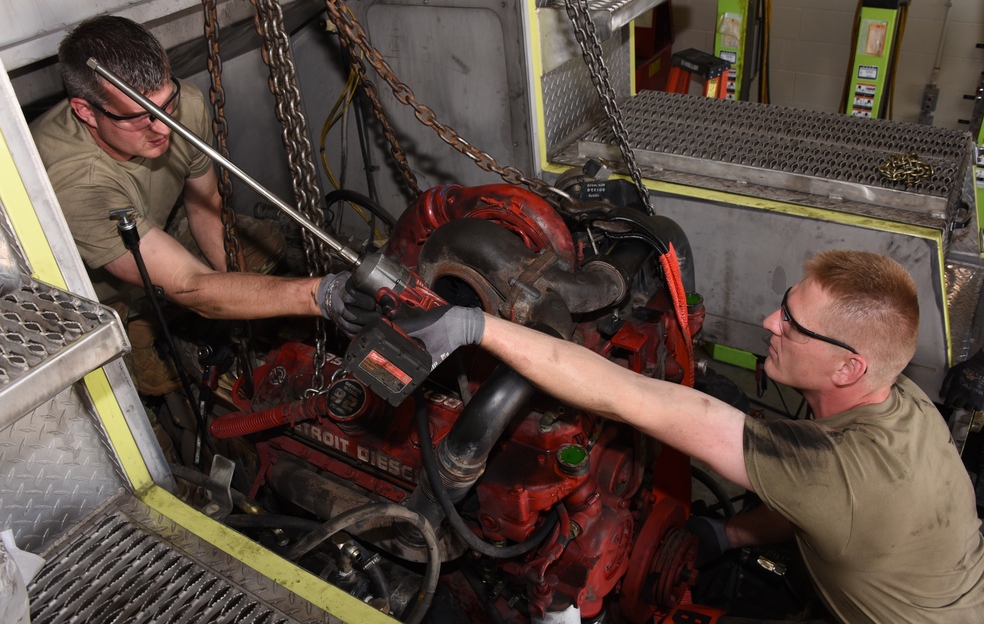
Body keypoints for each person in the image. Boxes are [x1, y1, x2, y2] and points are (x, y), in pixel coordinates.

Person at [392, 250, 984, 622]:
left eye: (793, 324)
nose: (769, 323)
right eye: (784, 306)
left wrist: (474, 327)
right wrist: (725, 533)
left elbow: (633, 398)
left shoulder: (841, 475)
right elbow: (812, 503)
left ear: (848, 367)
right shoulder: (901, 401)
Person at [30, 15, 375, 394]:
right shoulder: (75, 181)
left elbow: (204, 203)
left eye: (165, 105)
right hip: (88, 291)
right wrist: (317, 294)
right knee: (153, 383)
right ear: (85, 111)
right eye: (138, 117)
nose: (163, 127)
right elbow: (188, 283)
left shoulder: (182, 109)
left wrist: (236, 298)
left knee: (264, 246)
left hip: (153, 232)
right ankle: (144, 331)